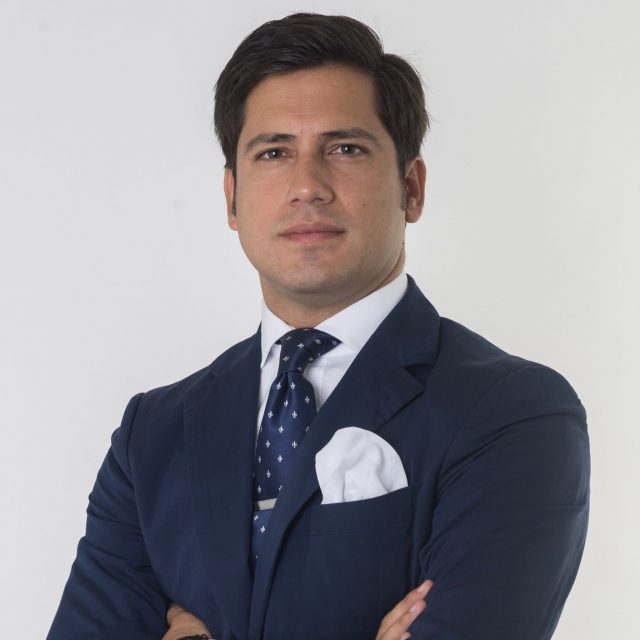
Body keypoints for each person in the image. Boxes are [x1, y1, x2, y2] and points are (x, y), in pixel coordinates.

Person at [47, 13, 590, 640]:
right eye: (274, 152)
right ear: (231, 197)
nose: (307, 185)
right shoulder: (152, 436)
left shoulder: (511, 413)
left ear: (411, 188)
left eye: (345, 149)